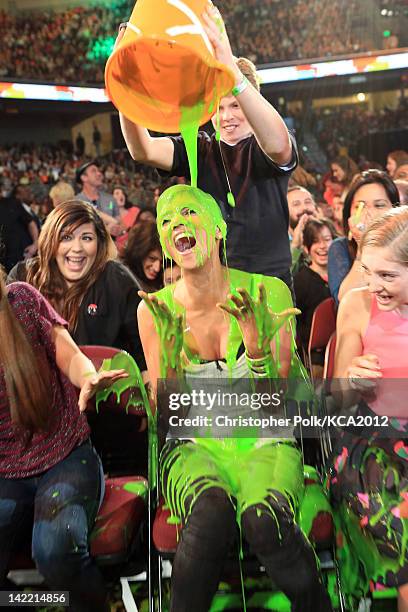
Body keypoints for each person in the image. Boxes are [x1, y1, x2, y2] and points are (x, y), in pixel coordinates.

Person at [137, 184, 332, 612]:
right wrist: (169, 367)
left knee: (262, 520)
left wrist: (257, 352)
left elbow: (275, 408)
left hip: (264, 438)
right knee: (209, 511)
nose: (176, 225)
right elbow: (172, 419)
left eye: (188, 212)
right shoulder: (155, 309)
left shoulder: (267, 291)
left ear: (219, 228)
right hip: (194, 445)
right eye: (166, 220)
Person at [118, 4, 297, 289]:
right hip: (212, 289)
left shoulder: (264, 146)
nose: (226, 117)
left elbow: (278, 145)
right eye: (219, 107)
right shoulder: (200, 149)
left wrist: (232, 73)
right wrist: (128, 90)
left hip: (268, 287)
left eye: (236, 105)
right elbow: (143, 150)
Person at [0, 274, 127, 611]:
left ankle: (94, 603)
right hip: (5, 473)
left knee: (54, 551)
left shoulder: (21, 302)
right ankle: (37, 604)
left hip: (65, 455)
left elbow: (70, 355)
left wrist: (88, 378)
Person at [328, 206, 408, 611]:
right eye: (367, 270)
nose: (374, 285)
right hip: (370, 442)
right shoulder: (357, 305)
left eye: (388, 275)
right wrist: (351, 380)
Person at [6, 200, 145, 371]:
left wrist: (161, 395)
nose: (77, 248)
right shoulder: (24, 277)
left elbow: (145, 355)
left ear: (99, 243)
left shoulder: (118, 280)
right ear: (51, 240)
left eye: (86, 238)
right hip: (39, 393)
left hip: (105, 394)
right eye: (66, 237)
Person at [328, 170, 399, 304]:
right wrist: (363, 247)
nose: (369, 213)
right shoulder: (340, 248)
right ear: (349, 211)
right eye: (360, 206)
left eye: (379, 205)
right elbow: (346, 303)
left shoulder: (403, 246)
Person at [294, 218, 336, 375]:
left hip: (341, 343)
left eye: (327, 240)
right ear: (306, 247)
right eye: (316, 241)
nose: (323, 246)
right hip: (314, 355)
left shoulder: (342, 274)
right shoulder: (301, 280)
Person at [76, 161, 122, 237]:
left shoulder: (110, 199)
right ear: (84, 177)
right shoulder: (77, 202)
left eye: (99, 171)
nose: (99, 174)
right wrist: (106, 229)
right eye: (94, 171)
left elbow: (119, 223)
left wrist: (118, 230)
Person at [0, 190, 38, 272]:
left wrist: (35, 244)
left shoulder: (12, 203)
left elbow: (31, 223)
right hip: (2, 263)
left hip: (21, 257)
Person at [123, 219, 163, 293]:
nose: (157, 268)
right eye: (152, 258)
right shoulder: (121, 278)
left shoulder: (162, 280)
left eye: (161, 262)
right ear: (139, 252)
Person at [112, 185, 140, 254]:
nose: (121, 195)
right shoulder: (110, 218)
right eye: (117, 193)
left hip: (138, 248)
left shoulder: (135, 211)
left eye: (123, 193)